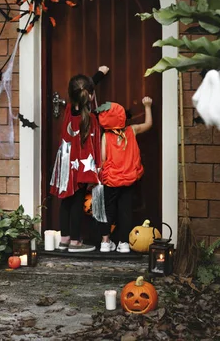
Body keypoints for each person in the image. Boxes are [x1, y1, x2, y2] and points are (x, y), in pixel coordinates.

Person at [50, 66, 109, 252]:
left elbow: (82, 89)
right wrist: (99, 74)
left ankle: (65, 239)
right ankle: (76, 242)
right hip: (81, 165)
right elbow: (85, 90)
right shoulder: (91, 117)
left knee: (65, 200)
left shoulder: (68, 109)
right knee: (77, 201)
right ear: (90, 96)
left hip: (66, 163)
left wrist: (97, 75)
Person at [98, 97, 153, 253]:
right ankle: (123, 243)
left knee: (108, 210)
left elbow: (103, 158)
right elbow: (148, 124)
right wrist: (147, 106)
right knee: (125, 211)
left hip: (111, 180)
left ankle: (105, 242)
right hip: (129, 179)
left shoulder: (106, 136)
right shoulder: (132, 130)